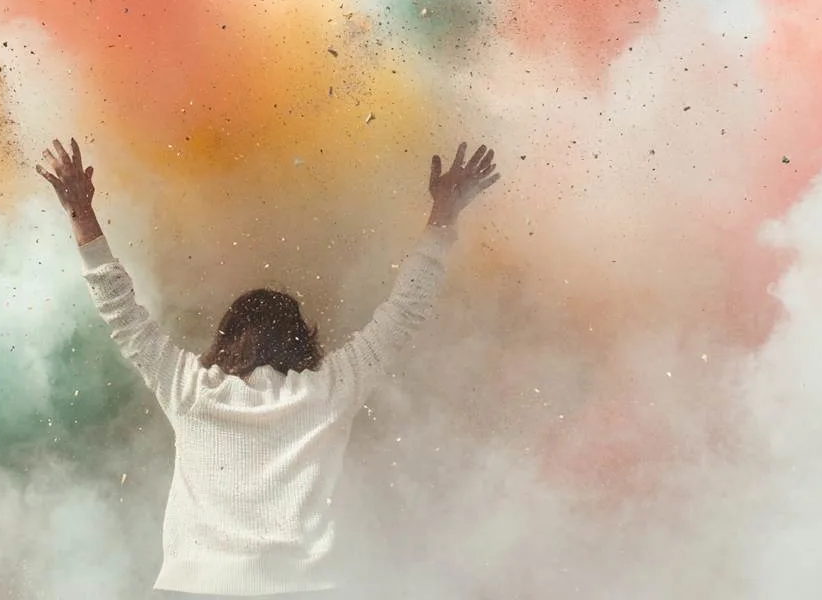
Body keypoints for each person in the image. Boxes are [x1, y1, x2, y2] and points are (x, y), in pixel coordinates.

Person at [36, 138, 498, 598]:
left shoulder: (189, 388)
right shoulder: (330, 388)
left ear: (225, 339)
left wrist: (80, 209)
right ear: (303, 341)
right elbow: (405, 310)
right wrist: (444, 212)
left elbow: (118, 306)